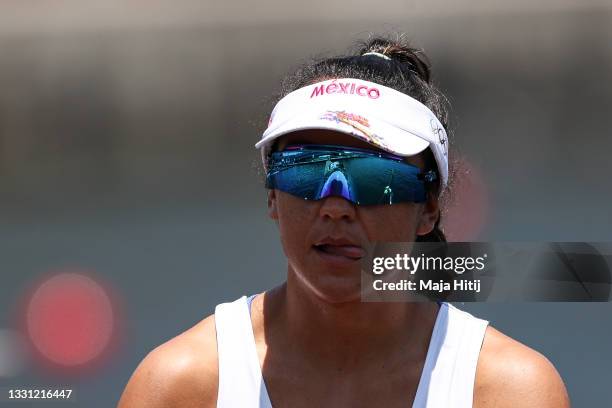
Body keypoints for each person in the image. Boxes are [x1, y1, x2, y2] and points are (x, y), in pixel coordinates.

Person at [118, 35, 570, 407]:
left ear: (429, 207)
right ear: (273, 195)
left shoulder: (509, 391)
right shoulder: (181, 386)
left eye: (374, 177)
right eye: (306, 170)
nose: (335, 205)